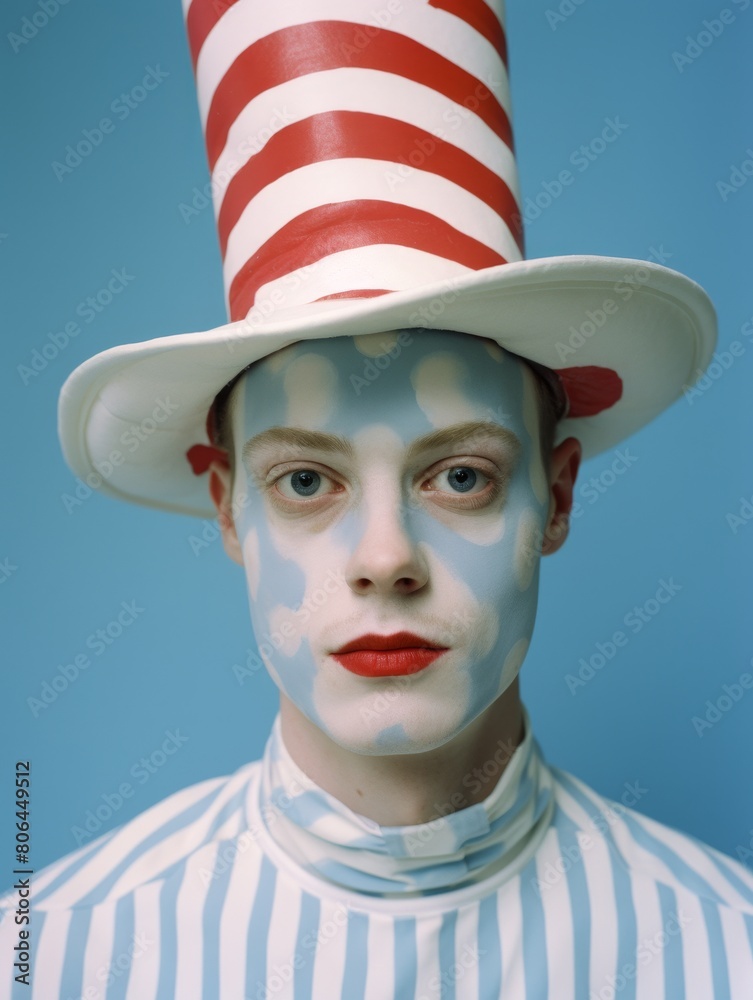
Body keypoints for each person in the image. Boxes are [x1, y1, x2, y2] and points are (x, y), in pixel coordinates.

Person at [2, 1, 752, 997]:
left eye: (460, 475)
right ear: (229, 509)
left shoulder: (726, 952)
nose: (385, 556)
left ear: (556, 495)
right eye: (306, 480)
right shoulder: (50, 957)